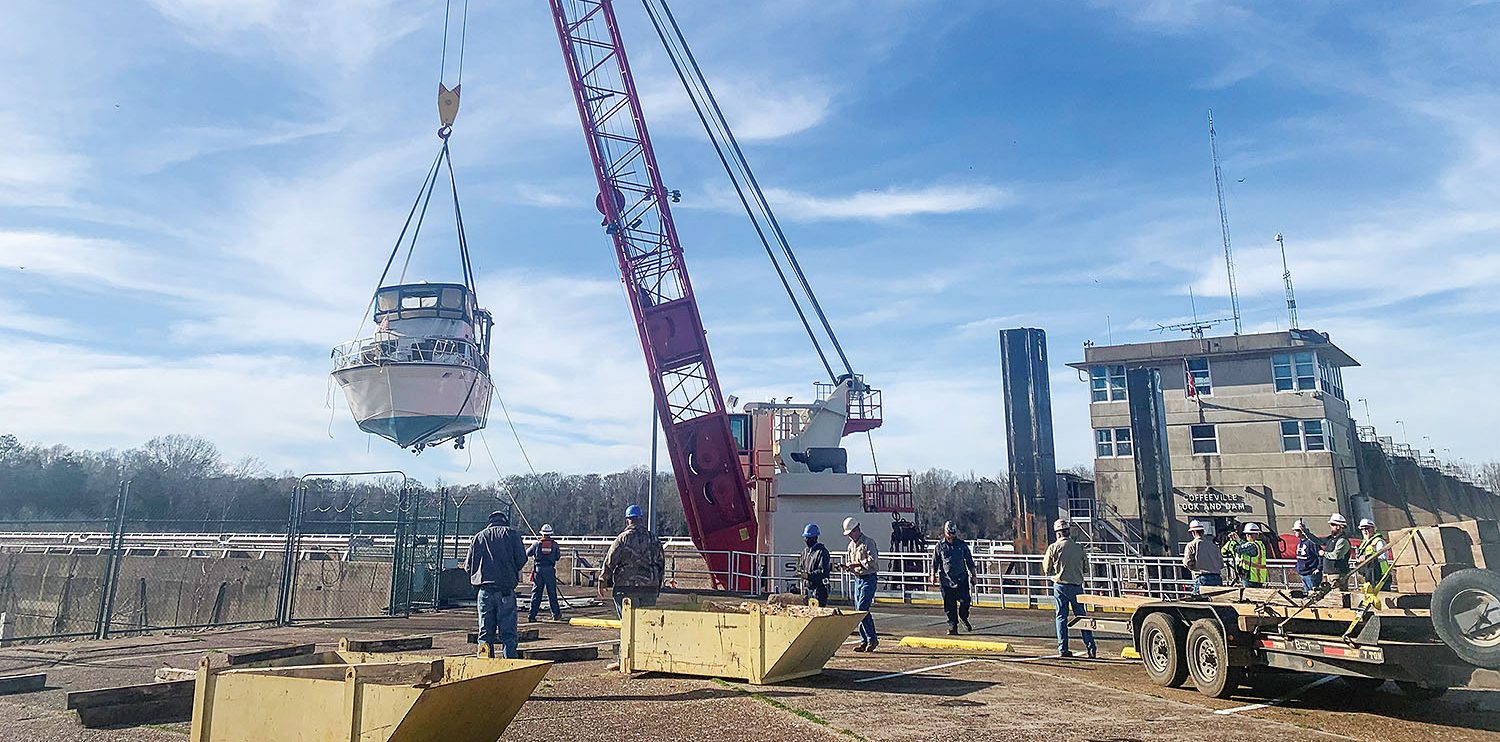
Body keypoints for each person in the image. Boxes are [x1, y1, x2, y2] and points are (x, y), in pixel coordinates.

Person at [465, 510, 526, 658]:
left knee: (485, 633)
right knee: (508, 634)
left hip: (484, 591)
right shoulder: (512, 534)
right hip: (505, 590)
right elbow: (521, 559)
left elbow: (468, 566)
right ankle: (510, 667)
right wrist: (509, 570)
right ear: (504, 521)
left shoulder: (478, 537)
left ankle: (484, 666)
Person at [1042, 518, 1097, 659]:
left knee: (1061, 617)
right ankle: (1091, 647)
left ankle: (1063, 648)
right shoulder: (1079, 548)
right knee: (1082, 617)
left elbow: (1046, 568)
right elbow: (1085, 568)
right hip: (1077, 586)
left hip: (1060, 586)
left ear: (1058, 533)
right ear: (1068, 532)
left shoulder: (1053, 548)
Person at [600, 504, 665, 619]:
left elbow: (610, 561)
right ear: (641, 519)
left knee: (628, 625)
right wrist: (657, 586)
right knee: (646, 625)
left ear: (628, 521)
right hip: (649, 589)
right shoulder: (653, 538)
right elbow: (660, 564)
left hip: (626, 589)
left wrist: (603, 579)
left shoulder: (623, 538)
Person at [841, 516, 880, 652]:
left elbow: (873, 561)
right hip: (858, 579)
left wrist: (856, 564)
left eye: (851, 533)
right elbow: (854, 563)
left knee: (862, 608)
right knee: (858, 610)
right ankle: (865, 640)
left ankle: (872, 639)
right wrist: (849, 567)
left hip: (869, 578)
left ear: (857, 530)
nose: (850, 536)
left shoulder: (869, 542)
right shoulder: (851, 546)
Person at [931, 521, 978, 634]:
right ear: (945, 532)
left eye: (953, 533)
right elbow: (935, 562)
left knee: (965, 600)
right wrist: (933, 575)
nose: (951, 536)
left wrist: (974, 575)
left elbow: (969, 561)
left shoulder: (961, 545)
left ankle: (963, 616)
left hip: (961, 578)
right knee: (949, 604)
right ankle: (953, 626)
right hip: (946, 580)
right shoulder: (940, 546)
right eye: (949, 533)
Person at [526, 523, 563, 623]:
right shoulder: (555, 545)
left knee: (536, 594)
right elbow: (558, 557)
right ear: (550, 534)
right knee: (552, 593)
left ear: (542, 533)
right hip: (550, 570)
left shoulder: (536, 544)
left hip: (538, 571)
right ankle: (555, 614)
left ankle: (532, 615)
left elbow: (527, 553)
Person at [1182, 520, 1223, 594]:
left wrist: (1192, 566)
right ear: (1203, 532)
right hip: (1217, 578)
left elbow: (1187, 562)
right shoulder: (1214, 546)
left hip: (1202, 578)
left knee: (1197, 602)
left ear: (1193, 532)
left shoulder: (1191, 545)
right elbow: (1221, 564)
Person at [796, 523, 832, 606]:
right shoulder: (805, 552)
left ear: (815, 538)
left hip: (819, 591)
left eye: (808, 538)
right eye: (805, 537)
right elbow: (801, 566)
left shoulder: (822, 552)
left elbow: (823, 572)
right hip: (806, 590)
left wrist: (809, 576)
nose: (806, 540)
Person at [1356, 518, 1392, 593]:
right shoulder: (1364, 543)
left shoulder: (1379, 541)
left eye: (1367, 528)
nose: (1365, 531)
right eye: (1362, 529)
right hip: (1369, 575)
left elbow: (1382, 557)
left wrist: (1365, 558)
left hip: (1380, 575)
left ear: (1373, 529)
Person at [1230, 523, 1269, 588]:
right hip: (1258, 578)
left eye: (1247, 534)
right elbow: (1245, 545)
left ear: (1249, 535)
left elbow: (1238, 549)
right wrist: (1238, 539)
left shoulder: (1252, 545)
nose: (1246, 536)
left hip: (1250, 578)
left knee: (1249, 596)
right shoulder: (1259, 544)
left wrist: (1232, 542)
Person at [1320, 513, 1353, 590]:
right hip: (1329, 573)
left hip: (1337, 574)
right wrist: (1306, 532)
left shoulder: (1342, 540)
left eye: (1332, 524)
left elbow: (1336, 556)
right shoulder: (1331, 539)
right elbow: (1318, 541)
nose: (1331, 527)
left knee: (1339, 595)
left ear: (1339, 526)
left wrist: (1324, 553)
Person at [1292, 519, 1324, 595]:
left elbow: (1320, 555)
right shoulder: (1301, 542)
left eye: (1298, 530)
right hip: (1303, 573)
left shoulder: (1311, 542)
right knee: (1306, 594)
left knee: (1313, 594)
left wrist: (1318, 568)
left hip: (1311, 573)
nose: (1296, 532)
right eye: (1295, 530)